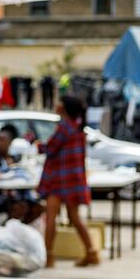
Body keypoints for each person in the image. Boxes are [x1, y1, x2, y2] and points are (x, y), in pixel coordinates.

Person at [41, 94, 99, 267]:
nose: (56, 104)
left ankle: (48, 256)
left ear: (64, 108)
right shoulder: (78, 128)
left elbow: (50, 149)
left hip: (59, 180)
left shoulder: (64, 128)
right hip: (73, 180)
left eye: (59, 102)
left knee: (51, 217)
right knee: (75, 217)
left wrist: (36, 144)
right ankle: (91, 252)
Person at [0, 123, 43, 224]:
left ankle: (17, 230)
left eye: (3, 140)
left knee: (38, 207)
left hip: (18, 194)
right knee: (20, 207)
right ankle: (5, 229)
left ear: (10, 142)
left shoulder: (16, 159)